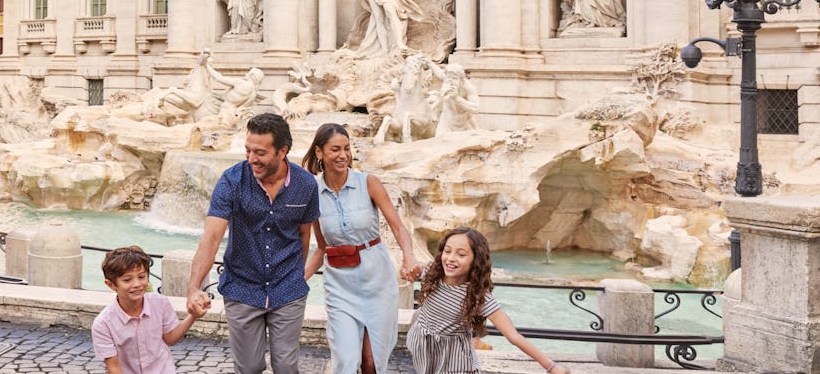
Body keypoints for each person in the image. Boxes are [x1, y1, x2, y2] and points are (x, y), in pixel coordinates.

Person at [186, 113, 320, 374]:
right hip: (242, 287)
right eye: (248, 150)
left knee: (286, 367)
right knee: (248, 368)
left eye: (260, 152)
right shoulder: (232, 180)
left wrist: (297, 276)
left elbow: (305, 235)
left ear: (283, 151)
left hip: (288, 290)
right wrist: (193, 287)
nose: (251, 158)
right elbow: (211, 236)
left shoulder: (305, 184)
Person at [298, 124, 422, 374]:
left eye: (347, 148)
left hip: (377, 280)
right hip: (339, 286)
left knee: (371, 361)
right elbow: (321, 247)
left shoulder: (369, 183)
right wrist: (298, 280)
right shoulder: (311, 192)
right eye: (335, 149)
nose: (343, 155)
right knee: (346, 360)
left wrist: (408, 257)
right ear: (320, 152)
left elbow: (398, 227)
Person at [408, 228, 568, 374]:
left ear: (475, 260)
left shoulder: (477, 295)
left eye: (461, 254)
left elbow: (513, 336)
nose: (450, 258)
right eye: (447, 251)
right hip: (423, 349)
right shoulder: (432, 273)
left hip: (454, 362)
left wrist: (551, 366)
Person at [93, 246, 203, 374]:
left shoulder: (160, 303)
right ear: (111, 284)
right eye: (127, 280)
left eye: (141, 277)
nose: (137, 284)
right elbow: (114, 367)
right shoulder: (103, 323)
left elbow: (170, 339)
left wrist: (193, 316)